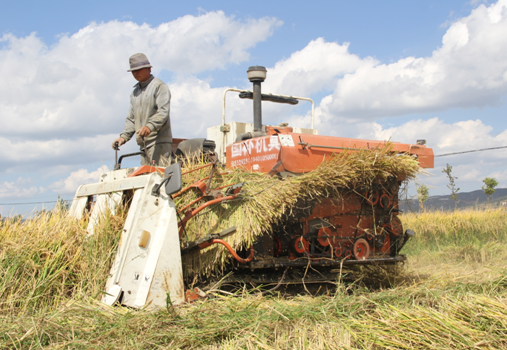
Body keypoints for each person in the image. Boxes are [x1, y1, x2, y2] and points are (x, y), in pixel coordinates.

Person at [112, 53, 172, 166]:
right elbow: (131, 118)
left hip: (159, 143)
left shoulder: (159, 86)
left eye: (139, 69)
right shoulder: (135, 93)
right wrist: (123, 137)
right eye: (133, 70)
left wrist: (149, 126)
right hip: (143, 145)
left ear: (149, 68)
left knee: (159, 179)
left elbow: (163, 111)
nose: (135, 73)